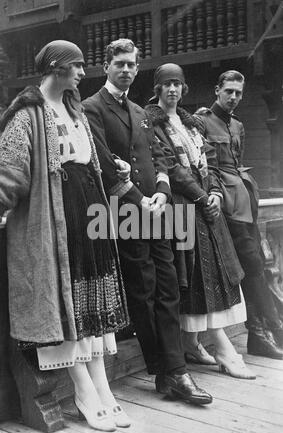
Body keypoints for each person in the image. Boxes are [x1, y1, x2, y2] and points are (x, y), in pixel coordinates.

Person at [0, 40, 132, 432]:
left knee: (92, 301)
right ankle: (83, 390)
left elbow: (92, 160)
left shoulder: (75, 110)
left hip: (88, 208)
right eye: (77, 67)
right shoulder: (25, 114)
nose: (81, 73)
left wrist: (117, 174)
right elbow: (10, 173)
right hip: (55, 214)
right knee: (68, 301)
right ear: (57, 67)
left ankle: (103, 388)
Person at [83, 38, 213, 405]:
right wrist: (140, 200)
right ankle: (170, 371)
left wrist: (161, 190)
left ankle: (173, 371)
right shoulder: (94, 108)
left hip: (157, 210)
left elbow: (158, 155)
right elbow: (103, 164)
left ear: (138, 69)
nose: (126, 70)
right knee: (144, 289)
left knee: (169, 286)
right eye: (119, 63)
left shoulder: (141, 111)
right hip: (124, 212)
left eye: (131, 65)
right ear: (106, 66)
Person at [145, 63, 255, 379]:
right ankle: (223, 348)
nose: (172, 90)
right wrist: (200, 197)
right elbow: (169, 166)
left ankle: (192, 343)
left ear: (184, 89)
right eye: (166, 84)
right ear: (158, 89)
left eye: (177, 84)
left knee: (215, 273)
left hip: (207, 202)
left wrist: (216, 194)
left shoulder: (193, 123)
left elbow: (211, 161)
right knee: (193, 275)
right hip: (182, 204)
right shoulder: (152, 123)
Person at [195, 70, 283, 359]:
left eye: (238, 93)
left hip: (245, 203)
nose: (233, 97)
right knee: (252, 264)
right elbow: (208, 167)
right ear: (217, 89)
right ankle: (269, 328)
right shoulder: (202, 121)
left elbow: (237, 163)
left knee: (256, 263)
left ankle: (261, 333)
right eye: (229, 91)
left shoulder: (238, 125)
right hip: (223, 204)